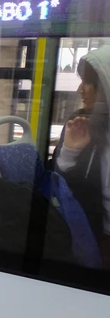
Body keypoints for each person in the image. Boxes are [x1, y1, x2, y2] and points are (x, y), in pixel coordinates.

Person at [51, 47, 110, 267]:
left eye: (86, 82)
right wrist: (69, 153)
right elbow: (66, 192)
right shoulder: (82, 123)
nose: (79, 90)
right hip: (92, 234)